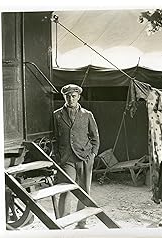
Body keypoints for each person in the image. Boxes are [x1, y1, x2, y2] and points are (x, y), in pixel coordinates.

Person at [53, 84, 100, 229]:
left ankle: (82, 222)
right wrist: (58, 156)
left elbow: (95, 137)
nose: (71, 99)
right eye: (68, 96)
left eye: (73, 96)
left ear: (78, 97)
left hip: (85, 157)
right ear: (64, 97)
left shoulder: (87, 115)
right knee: (65, 189)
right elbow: (54, 137)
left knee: (84, 190)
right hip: (67, 159)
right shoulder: (57, 115)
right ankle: (63, 223)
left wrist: (92, 154)